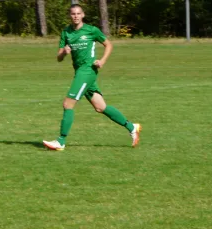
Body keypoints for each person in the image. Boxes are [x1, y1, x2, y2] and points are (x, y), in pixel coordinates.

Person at [43, 4, 141, 151]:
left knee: (68, 104)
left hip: (88, 71)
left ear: (83, 15)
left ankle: (61, 141)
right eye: (72, 14)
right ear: (70, 16)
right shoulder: (66, 32)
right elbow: (59, 57)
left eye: (78, 13)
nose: (75, 16)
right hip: (79, 72)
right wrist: (64, 52)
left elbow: (108, 45)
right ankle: (132, 127)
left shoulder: (91, 30)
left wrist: (102, 61)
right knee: (100, 107)